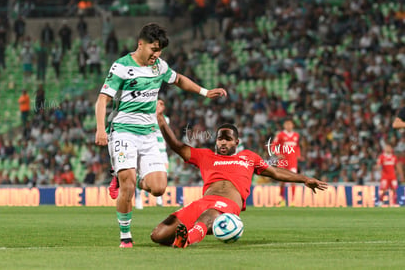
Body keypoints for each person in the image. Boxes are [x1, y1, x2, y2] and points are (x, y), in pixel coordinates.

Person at [94, 23, 227, 248]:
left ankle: (122, 175)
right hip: (123, 131)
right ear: (140, 44)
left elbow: (179, 79)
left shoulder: (159, 67)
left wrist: (204, 92)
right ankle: (125, 236)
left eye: (160, 51)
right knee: (127, 187)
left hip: (148, 134)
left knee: (158, 187)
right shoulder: (122, 67)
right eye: (153, 49)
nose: (156, 54)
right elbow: (102, 99)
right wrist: (99, 129)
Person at [150, 100, 327, 248]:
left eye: (228, 139)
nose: (223, 143)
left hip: (227, 205)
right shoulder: (205, 156)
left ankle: (187, 239)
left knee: (210, 214)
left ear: (237, 141)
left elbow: (275, 172)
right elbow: (176, 146)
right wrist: (160, 119)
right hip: (203, 202)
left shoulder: (248, 157)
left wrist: (304, 179)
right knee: (158, 235)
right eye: (220, 139)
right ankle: (195, 231)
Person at [271, 118, 301, 205]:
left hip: (293, 162)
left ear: (293, 125)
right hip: (283, 161)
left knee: (293, 180)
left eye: (290, 124)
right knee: (282, 180)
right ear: (284, 126)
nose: (288, 126)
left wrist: (298, 154)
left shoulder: (296, 135)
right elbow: (273, 146)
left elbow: (297, 146)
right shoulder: (280, 135)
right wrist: (277, 154)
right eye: (287, 124)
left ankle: (293, 200)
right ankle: (282, 199)